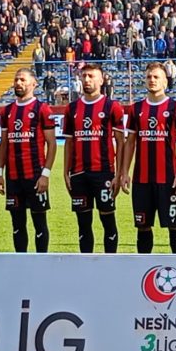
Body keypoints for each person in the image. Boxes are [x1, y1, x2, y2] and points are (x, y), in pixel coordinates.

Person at [121, 62, 176, 254]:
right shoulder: (136, 109)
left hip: (168, 179)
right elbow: (130, 142)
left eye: (156, 77)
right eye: (149, 77)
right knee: (142, 226)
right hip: (141, 179)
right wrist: (125, 172)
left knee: (173, 224)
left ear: (165, 81)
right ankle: (144, 267)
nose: (152, 80)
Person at [62, 64, 125, 254]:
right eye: (84, 76)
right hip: (79, 174)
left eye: (91, 76)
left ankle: (110, 262)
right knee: (83, 223)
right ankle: (86, 265)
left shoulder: (112, 106)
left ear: (101, 80)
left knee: (108, 219)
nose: (87, 80)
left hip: (104, 173)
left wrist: (119, 174)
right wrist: (66, 171)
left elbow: (121, 142)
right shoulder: (72, 108)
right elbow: (69, 143)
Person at [0, 68, 57, 253]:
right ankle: (21, 262)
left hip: (35, 176)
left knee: (39, 222)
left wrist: (45, 174)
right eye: (16, 80)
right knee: (17, 224)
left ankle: (41, 261)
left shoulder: (42, 109)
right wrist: (0, 173)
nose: (18, 83)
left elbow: (52, 145)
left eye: (22, 80)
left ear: (33, 84)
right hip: (13, 178)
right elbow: (3, 144)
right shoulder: (7, 111)